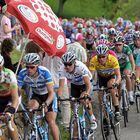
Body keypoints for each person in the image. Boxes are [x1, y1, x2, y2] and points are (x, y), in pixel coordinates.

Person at [17, 53, 60, 140]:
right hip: (36, 95)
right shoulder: (22, 73)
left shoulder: (45, 72)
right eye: (27, 66)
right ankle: (34, 128)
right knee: (31, 108)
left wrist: (46, 104)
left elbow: (51, 92)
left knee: (51, 121)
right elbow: (17, 91)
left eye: (32, 67)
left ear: (37, 66)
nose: (29, 69)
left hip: (48, 95)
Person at [58, 52, 97, 131]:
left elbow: (88, 85)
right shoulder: (62, 69)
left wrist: (86, 93)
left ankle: (92, 118)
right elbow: (61, 86)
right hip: (75, 85)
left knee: (84, 99)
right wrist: (58, 98)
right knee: (73, 103)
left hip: (86, 83)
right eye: (65, 64)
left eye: (69, 64)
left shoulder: (81, 67)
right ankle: (77, 124)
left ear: (74, 63)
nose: (67, 67)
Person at [89, 43, 121, 120]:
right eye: (99, 57)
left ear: (107, 55)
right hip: (101, 77)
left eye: (103, 56)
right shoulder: (94, 60)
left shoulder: (113, 59)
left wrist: (116, 83)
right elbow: (90, 76)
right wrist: (89, 85)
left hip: (111, 76)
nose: (101, 59)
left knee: (111, 85)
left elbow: (118, 75)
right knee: (100, 95)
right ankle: (105, 117)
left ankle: (117, 109)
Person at [0, 54, 19, 140]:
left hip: (11, 97)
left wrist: (10, 111)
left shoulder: (8, 75)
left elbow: (15, 98)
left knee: (9, 120)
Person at [113, 35, 135, 104]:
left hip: (126, 65)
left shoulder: (126, 48)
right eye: (116, 45)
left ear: (123, 44)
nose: (118, 47)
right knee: (118, 87)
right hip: (117, 67)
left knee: (127, 75)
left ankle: (130, 95)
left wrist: (133, 71)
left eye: (120, 45)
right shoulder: (112, 50)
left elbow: (132, 61)